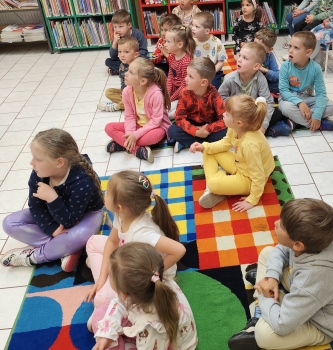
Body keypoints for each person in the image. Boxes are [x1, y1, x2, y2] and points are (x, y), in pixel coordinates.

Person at [228, 198, 333, 350]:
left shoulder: (313, 277)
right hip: (306, 292)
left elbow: (282, 325)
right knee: (268, 253)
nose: (275, 223)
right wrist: (272, 276)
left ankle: (259, 314)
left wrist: (265, 292)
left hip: (321, 325)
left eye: (281, 225)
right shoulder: (311, 243)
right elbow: (282, 249)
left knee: (264, 336)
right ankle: (271, 288)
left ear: (298, 244)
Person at [1, 129, 104, 272]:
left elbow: (71, 221)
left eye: (38, 159)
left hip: (87, 215)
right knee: (9, 223)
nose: (32, 163)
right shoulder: (39, 173)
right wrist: (52, 228)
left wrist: (52, 198)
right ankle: (65, 249)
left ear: (59, 162)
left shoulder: (82, 181)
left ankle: (34, 256)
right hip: (56, 217)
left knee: (77, 235)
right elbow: (36, 207)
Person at [85, 170, 185, 314]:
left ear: (119, 206)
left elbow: (179, 250)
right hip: (128, 257)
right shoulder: (121, 215)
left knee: (100, 299)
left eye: (107, 193)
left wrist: (153, 274)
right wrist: (102, 276)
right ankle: (107, 278)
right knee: (92, 242)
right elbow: (113, 241)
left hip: (142, 271)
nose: (104, 194)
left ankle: (109, 301)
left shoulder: (141, 233)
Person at [91, 242, 197, 350]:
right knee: (101, 315)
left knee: (99, 317)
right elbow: (119, 302)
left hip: (161, 342)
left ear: (123, 293)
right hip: (157, 336)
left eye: (110, 275)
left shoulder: (150, 326)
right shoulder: (157, 281)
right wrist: (107, 333)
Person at [190, 95, 275, 212]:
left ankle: (213, 189)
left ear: (239, 123)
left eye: (227, 114)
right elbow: (225, 143)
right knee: (208, 150)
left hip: (249, 178)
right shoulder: (235, 128)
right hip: (240, 164)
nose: (223, 114)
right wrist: (203, 146)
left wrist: (252, 200)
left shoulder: (249, 145)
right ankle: (220, 187)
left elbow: (258, 176)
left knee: (212, 184)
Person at [219, 42, 292, 137]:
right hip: (235, 115)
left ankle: (259, 131)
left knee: (277, 112)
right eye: (240, 55)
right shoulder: (229, 78)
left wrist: (263, 127)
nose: (239, 60)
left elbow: (268, 103)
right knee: (220, 125)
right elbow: (220, 98)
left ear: (256, 66)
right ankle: (257, 132)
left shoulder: (261, 79)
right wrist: (233, 109)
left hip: (252, 115)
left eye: (245, 58)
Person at [104, 58, 171, 162]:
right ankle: (137, 150)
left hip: (155, 127)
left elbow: (156, 121)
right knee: (109, 127)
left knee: (155, 136)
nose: (125, 74)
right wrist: (130, 133)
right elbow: (129, 116)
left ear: (143, 81)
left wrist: (135, 135)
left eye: (131, 72)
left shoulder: (156, 94)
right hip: (137, 125)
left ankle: (122, 144)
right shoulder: (127, 91)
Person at [279, 32, 333, 131]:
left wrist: (316, 115)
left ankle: (296, 121)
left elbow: (321, 93)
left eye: (296, 48)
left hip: (308, 99)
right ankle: (320, 125)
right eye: (290, 46)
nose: (290, 50)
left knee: (332, 106)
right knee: (286, 107)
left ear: (308, 52)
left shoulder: (316, 68)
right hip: (290, 100)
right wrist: (300, 103)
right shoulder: (285, 66)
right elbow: (283, 91)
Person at [168, 57, 227, 153]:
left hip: (209, 126)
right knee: (172, 130)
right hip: (191, 124)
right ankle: (204, 144)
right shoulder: (185, 93)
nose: (185, 79)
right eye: (187, 75)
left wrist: (207, 129)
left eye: (190, 76)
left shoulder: (214, 95)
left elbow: (224, 119)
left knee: (226, 131)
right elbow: (179, 118)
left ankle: (188, 142)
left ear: (203, 82)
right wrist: (195, 131)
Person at [98, 36, 140, 112]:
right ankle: (127, 104)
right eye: (119, 51)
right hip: (127, 92)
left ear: (136, 54)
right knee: (109, 92)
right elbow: (123, 81)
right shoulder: (122, 65)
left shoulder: (139, 66)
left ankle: (116, 107)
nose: (122, 55)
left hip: (138, 94)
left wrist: (129, 93)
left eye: (126, 52)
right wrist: (123, 91)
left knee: (134, 101)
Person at [165, 24, 196, 119]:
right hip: (175, 92)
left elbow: (184, 85)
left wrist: (170, 99)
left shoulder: (186, 61)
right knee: (163, 108)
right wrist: (167, 93)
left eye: (168, 42)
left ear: (180, 44)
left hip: (185, 93)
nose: (165, 44)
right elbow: (170, 76)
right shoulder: (171, 56)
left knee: (168, 114)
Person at [105, 9, 148, 75]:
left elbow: (144, 50)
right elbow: (113, 56)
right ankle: (130, 70)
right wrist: (115, 42)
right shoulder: (117, 36)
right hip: (124, 59)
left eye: (120, 27)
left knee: (146, 61)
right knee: (108, 61)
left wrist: (133, 58)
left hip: (137, 58)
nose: (117, 30)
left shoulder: (138, 34)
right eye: (115, 27)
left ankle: (122, 70)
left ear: (129, 25)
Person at [192, 11, 227, 89]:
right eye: (192, 25)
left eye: (197, 26)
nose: (192, 28)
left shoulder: (217, 42)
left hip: (213, 71)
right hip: (195, 71)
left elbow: (221, 62)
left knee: (212, 89)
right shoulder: (191, 41)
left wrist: (211, 72)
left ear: (207, 31)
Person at [254, 28, 280, 96]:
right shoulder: (250, 52)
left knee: (281, 83)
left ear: (269, 49)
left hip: (265, 83)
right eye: (254, 43)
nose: (255, 47)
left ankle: (260, 92)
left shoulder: (270, 56)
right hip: (252, 82)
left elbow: (277, 75)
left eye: (260, 47)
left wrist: (264, 70)